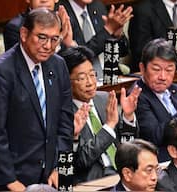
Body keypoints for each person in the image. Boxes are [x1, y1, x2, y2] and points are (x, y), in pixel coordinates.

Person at [0, 8, 74, 191]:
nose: (48, 46)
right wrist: (10, 181)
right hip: (9, 177)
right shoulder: (2, 71)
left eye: (54, 39)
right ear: (24, 34)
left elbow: (65, 123)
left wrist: (61, 167)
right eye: (42, 37)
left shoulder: (58, 65)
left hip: (49, 174)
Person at [59, 46, 141, 183]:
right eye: (82, 78)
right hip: (94, 180)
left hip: (123, 172)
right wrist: (108, 127)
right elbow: (81, 161)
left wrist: (128, 117)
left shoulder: (103, 98)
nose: (90, 83)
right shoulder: (63, 112)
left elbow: (129, 143)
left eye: (92, 75)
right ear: (66, 81)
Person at [129, 38, 177, 162]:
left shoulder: (175, 89)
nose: (162, 77)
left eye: (169, 70)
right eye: (156, 69)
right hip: (160, 162)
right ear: (142, 68)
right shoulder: (137, 95)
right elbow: (154, 136)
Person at [59, 0, 132, 79]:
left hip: (111, 79)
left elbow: (123, 53)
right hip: (82, 83)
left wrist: (117, 35)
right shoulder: (60, 12)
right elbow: (78, 56)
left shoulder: (97, 6)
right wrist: (108, 30)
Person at [3, 0, 75, 51]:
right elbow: (21, 64)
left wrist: (70, 45)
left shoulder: (63, 21)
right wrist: (58, 40)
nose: (44, 0)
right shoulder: (15, 27)